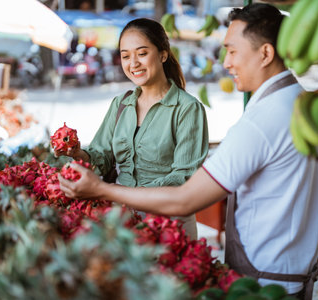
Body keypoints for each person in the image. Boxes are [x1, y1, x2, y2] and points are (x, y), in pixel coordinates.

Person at [59, 4, 318, 299]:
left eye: (233, 51)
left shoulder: (259, 121)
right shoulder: (302, 103)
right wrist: (81, 158)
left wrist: (101, 190)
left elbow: (185, 196)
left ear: (265, 53)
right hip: (289, 275)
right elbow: (103, 155)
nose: (226, 63)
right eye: (125, 55)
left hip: (265, 279)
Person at [55, 18, 209, 239]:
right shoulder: (121, 104)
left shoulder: (187, 108)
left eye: (142, 53)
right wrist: (77, 153)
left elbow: (184, 177)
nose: (133, 63)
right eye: (126, 56)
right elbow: (103, 156)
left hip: (169, 227)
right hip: (122, 222)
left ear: (163, 54)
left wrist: (119, 193)